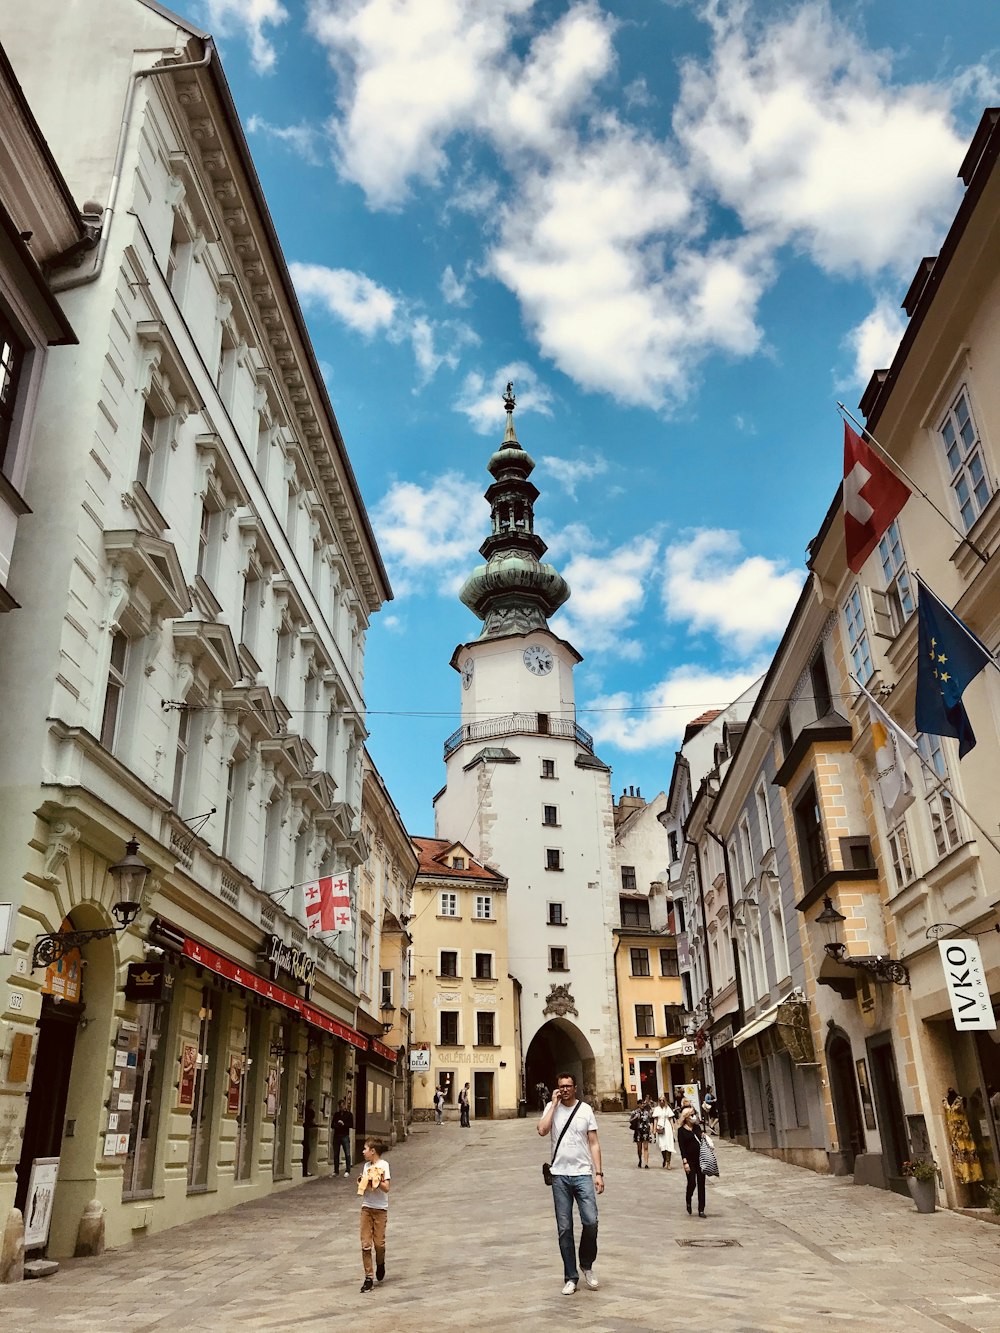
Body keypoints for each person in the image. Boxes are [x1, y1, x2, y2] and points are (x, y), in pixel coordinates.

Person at [537, 1072, 604, 1296]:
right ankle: (570, 1276)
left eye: (568, 1086)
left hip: (583, 1173)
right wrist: (553, 1106)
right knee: (564, 1228)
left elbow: (593, 1143)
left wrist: (599, 1173)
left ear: (575, 1087)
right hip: (559, 1176)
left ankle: (587, 1263)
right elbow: (542, 1130)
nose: (564, 1089)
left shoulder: (585, 1110)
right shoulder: (551, 1107)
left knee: (591, 1221)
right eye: (561, 1087)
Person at [357, 1136, 391, 1293]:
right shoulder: (365, 1166)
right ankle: (368, 1277)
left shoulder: (384, 1165)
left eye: (365, 1149)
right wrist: (363, 1182)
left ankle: (381, 1263)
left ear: (373, 1151)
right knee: (365, 1244)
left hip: (380, 1209)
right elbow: (363, 1187)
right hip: (367, 1208)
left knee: (379, 1244)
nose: (363, 1152)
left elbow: (387, 1188)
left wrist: (377, 1182)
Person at [676, 1099, 706, 1218]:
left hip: (701, 1159)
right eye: (692, 1115)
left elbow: (702, 1140)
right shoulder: (681, 1131)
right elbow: (682, 1147)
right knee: (692, 1183)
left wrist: (704, 1137)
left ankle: (701, 1209)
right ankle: (688, 1200)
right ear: (686, 1117)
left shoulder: (697, 1128)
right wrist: (685, 1162)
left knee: (701, 1183)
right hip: (689, 1160)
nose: (694, 1117)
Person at [332, 1096, 354, 1177]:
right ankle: (336, 1171)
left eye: (341, 1106)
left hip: (345, 1135)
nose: (340, 1108)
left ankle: (347, 1170)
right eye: (339, 1107)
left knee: (347, 1153)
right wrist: (337, 1124)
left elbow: (351, 1125)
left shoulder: (349, 1115)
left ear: (344, 1106)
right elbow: (332, 1125)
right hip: (337, 1135)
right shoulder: (336, 1114)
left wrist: (343, 1124)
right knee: (336, 1154)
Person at [652, 1094, 675, 1168]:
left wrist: (673, 1127)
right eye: (660, 1100)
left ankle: (668, 1162)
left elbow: (671, 1118)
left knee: (669, 1144)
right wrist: (654, 1129)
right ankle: (664, 1158)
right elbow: (655, 1119)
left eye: (663, 1100)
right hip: (660, 1126)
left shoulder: (667, 1108)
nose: (661, 1102)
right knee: (662, 1145)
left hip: (667, 1127)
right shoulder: (657, 1109)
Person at [629, 1096, 653, 1168]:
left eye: (643, 1103)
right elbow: (630, 1120)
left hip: (645, 1131)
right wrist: (635, 1117)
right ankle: (640, 1160)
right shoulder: (635, 1112)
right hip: (638, 1131)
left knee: (646, 1148)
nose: (643, 1105)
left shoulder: (646, 1112)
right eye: (641, 1103)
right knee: (639, 1148)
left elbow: (650, 1120)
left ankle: (646, 1163)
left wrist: (651, 1129)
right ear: (638, 1104)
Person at [302, 1098, 317, 1176]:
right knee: (306, 1151)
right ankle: (304, 1171)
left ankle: (303, 1170)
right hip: (306, 1132)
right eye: (313, 1105)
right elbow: (313, 1122)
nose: (314, 1106)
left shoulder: (304, 1111)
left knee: (304, 1151)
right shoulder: (311, 1112)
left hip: (302, 1130)